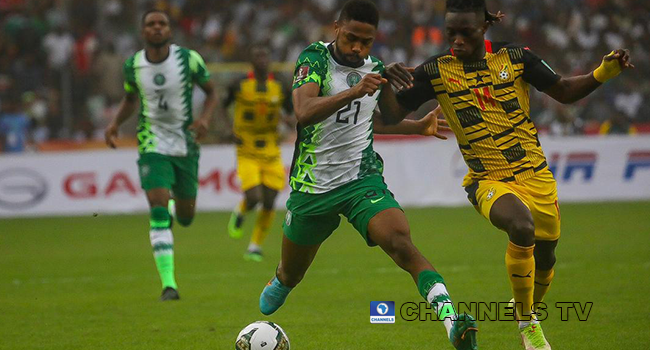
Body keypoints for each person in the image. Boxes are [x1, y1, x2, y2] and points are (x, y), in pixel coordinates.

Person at [381, 0, 634, 348]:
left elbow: (562, 90)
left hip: (536, 177)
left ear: (483, 28)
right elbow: (393, 114)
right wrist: (383, 83)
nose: (456, 40)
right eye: (450, 32)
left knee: (546, 259)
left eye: (465, 33)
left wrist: (602, 72)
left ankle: (526, 308)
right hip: (488, 180)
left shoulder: (516, 58)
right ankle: (528, 324)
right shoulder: (436, 71)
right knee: (521, 226)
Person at [258, 1, 478, 349]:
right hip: (313, 188)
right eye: (351, 38)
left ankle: (452, 322)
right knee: (291, 272)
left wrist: (415, 122)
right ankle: (283, 280)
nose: (357, 47)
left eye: (366, 41)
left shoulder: (374, 67)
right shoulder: (314, 59)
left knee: (402, 244)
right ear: (336, 28)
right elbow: (303, 111)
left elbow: (380, 118)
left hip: (361, 181)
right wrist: (354, 90)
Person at [104, 9, 218, 301]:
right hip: (152, 142)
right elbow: (131, 98)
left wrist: (205, 120)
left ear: (170, 30)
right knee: (157, 206)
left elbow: (211, 92)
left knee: (186, 216)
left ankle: (170, 210)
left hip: (186, 144)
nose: (156, 28)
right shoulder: (133, 65)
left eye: (162, 24)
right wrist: (116, 123)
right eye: (151, 24)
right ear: (143, 31)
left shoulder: (189, 59)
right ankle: (169, 285)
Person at [225, 44, 293, 262]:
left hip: (272, 147)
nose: (263, 60)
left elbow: (293, 111)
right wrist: (228, 128)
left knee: (270, 201)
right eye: (258, 57)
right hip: (246, 147)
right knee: (254, 197)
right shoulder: (239, 83)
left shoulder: (280, 85)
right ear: (252, 62)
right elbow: (220, 105)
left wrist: (290, 123)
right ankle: (241, 210)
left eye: (265, 56)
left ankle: (254, 246)